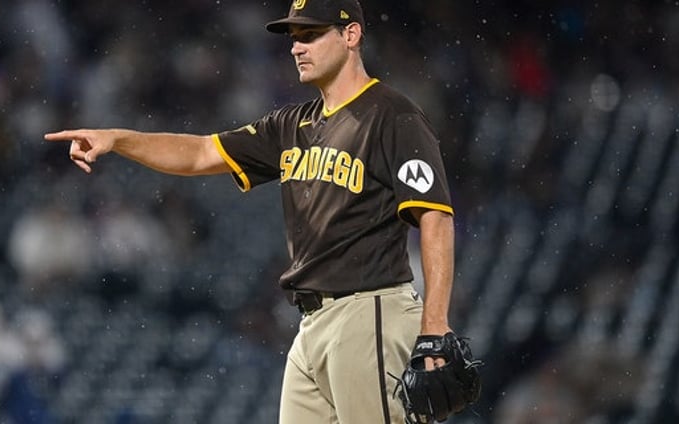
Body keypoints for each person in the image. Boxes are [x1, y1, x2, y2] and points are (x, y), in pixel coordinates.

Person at [45, 1, 458, 422]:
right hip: (311, 324)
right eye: (294, 38)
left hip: (369, 310)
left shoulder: (393, 115)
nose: (297, 47)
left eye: (311, 35)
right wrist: (119, 139)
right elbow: (201, 152)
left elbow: (435, 217)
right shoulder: (290, 125)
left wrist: (435, 325)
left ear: (350, 36)